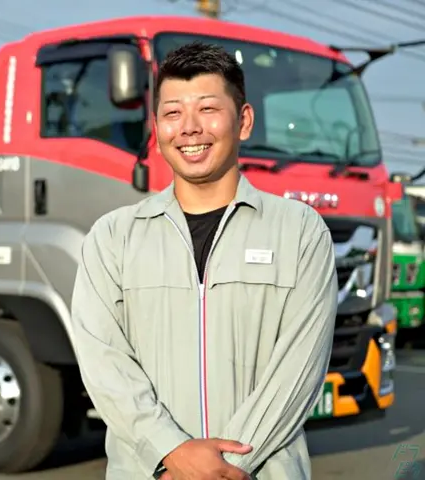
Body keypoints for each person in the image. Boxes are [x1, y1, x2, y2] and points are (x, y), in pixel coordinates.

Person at [70, 41, 338, 480]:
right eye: (173, 113)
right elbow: (103, 363)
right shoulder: (113, 237)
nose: (190, 128)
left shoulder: (300, 232)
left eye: (208, 109)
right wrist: (169, 451)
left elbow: (298, 372)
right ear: (157, 129)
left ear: (244, 120)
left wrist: (218, 469)